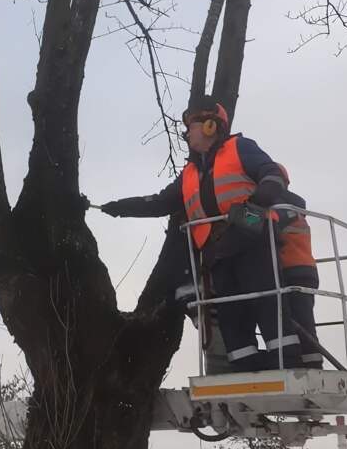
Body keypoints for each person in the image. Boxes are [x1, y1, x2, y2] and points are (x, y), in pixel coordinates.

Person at [101, 97, 301, 372]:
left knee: (268, 304)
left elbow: (271, 176)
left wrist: (253, 206)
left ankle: (287, 364)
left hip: (252, 239)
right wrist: (119, 208)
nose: (186, 133)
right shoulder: (191, 172)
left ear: (210, 125)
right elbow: (161, 202)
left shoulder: (240, 148)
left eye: (191, 126)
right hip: (218, 251)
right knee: (232, 316)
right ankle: (246, 367)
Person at [277, 166, 323, 369]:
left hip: (292, 270)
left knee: (299, 322)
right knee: (301, 320)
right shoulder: (294, 206)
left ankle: (311, 365)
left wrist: (239, 217)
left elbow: (262, 225)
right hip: (303, 269)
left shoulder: (282, 207)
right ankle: (307, 361)